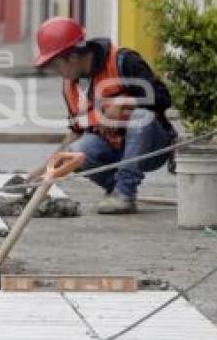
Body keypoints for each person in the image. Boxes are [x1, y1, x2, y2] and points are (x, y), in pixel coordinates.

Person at [31, 17, 177, 214]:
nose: (58, 73)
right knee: (77, 150)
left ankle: (124, 193)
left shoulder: (123, 61)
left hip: (152, 146)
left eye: (57, 66)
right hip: (114, 150)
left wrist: (124, 102)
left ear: (72, 57)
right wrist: (45, 171)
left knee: (141, 116)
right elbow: (75, 134)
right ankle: (116, 190)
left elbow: (163, 97)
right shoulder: (70, 86)